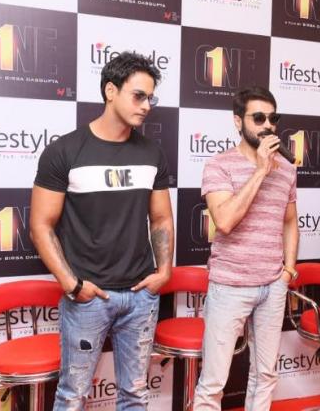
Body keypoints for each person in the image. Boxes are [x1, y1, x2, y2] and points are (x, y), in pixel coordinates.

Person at [30, 51, 174, 410]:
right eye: (138, 96)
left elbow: (160, 219)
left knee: (135, 395)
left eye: (150, 98)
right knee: (72, 395)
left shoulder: (152, 153)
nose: (146, 106)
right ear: (111, 91)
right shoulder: (64, 151)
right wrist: (72, 285)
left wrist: (164, 271)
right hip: (89, 297)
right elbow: (41, 226)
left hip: (141, 296)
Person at [193, 86, 299, 410]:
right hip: (230, 286)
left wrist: (288, 270)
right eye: (258, 118)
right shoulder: (219, 165)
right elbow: (224, 221)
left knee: (265, 375)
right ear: (238, 121)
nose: (268, 125)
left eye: (273, 118)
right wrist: (261, 171)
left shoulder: (287, 168)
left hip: (273, 285)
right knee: (213, 382)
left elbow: (290, 221)